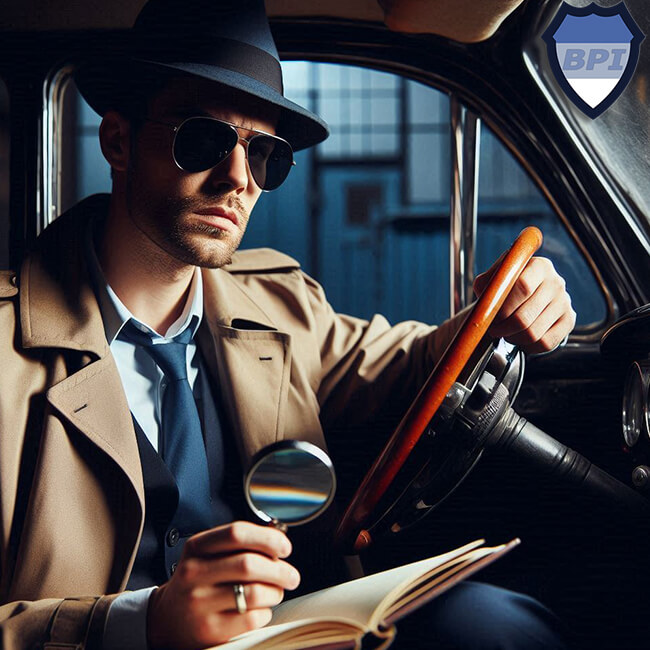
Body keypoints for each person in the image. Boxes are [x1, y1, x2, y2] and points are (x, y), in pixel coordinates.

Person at [0, 0, 575, 648]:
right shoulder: (5, 353)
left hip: (292, 631)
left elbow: (415, 363)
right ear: (118, 141)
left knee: (496, 624)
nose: (239, 178)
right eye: (205, 139)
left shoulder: (278, 307)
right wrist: (139, 623)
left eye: (265, 154)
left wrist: (509, 309)